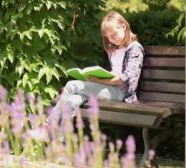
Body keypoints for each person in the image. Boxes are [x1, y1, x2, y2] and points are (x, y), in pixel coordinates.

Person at [28, 11, 144, 141]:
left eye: (114, 34)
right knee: (72, 101)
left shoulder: (134, 48)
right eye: (109, 36)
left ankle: (48, 127)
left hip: (122, 93)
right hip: (108, 88)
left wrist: (99, 80)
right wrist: (97, 78)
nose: (113, 38)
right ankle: (59, 142)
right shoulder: (114, 50)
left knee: (72, 85)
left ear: (123, 27)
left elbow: (125, 79)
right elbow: (114, 72)